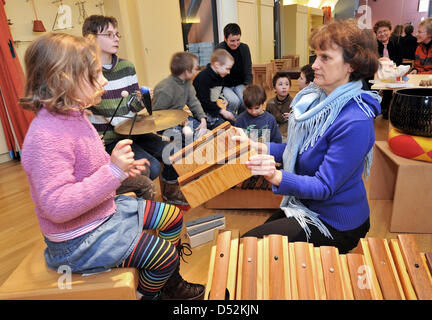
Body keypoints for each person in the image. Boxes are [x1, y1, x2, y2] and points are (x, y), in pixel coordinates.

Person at [19, 33, 205, 300]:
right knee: (163, 257)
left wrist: (117, 169)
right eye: (95, 76)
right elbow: (57, 206)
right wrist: (113, 172)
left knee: (173, 217)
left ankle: (169, 285)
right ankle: (145, 295)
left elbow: (86, 169)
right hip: (78, 241)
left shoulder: (75, 115)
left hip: (101, 214)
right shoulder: (46, 136)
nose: (104, 81)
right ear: (63, 81)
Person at [234, 19, 381, 254]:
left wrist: (276, 176)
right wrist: (256, 146)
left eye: (325, 57)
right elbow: (299, 151)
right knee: (251, 244)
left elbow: (324, 186)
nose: (314, 65)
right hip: (310, 206)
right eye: (316, 56)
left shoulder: (355, 120)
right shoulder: (321, 101)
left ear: (351, 65)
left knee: (250, 250)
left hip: (337, 222)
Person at [82, 15, 185, 205]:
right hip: (111, 140)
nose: (116, 38)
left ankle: (170, 194)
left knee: (172, 149)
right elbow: (114, 114)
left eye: (117, 34)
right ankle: (134, 205)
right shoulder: (88, 71)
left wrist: (141, 99)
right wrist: (132, 102)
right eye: (109, 34)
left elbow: (131, 109)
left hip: (133, 131)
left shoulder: (127, 67)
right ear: (92, 38)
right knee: (151, 167)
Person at [153, 51, 207, 143]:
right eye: (195, 68)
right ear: (186, 72)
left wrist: (203, 119)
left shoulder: (187, 83)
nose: (196, 71)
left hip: (181, 119)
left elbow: (194, 102)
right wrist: (181, 124)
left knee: (204, 133)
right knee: (190, 139)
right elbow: (157, 117)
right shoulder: (164, 89)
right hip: (167, 125)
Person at [214, 23, 253, 116]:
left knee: (245, 100)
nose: (235, 44)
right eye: (232, 41)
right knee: (234, 101)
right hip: (225, 85)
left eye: (238, 40)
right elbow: (216, 72)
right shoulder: (219, 49)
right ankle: (230, 120)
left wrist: (248, 86)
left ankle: (240, 120)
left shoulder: (244, 48)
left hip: (240, 83)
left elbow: (248, 68)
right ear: (225, 38)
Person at [193, 48, 235, 129]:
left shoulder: (220, 75)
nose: (228, 72)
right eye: (227, 68)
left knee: (236, 119)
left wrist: (222, 100)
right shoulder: (203, 78)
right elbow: (205, 102)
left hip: (213, 107)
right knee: (223, 126)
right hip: (202, 111)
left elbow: (215, 95)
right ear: (217, 65)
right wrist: (222, 111)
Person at [373, 19, 401, 119]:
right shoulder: (374, 45)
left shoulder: (396, 43)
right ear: (376, 35)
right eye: (379, 32)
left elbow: (399, 61)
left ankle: (385, 108)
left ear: (390, 31)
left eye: (385, 31)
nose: (382, 34)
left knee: (389, 88)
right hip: (378, 72)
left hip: (392, 72)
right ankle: (374, 109)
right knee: (373, 88)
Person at [264, 72, 293, 141]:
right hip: (273, 132)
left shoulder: (293, 103)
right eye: (280, 84)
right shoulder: (270, 103)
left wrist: (292, 116)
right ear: (274, 88)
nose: (284, 87)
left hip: (287, 133)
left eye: (287, 84)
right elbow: (266, 120)